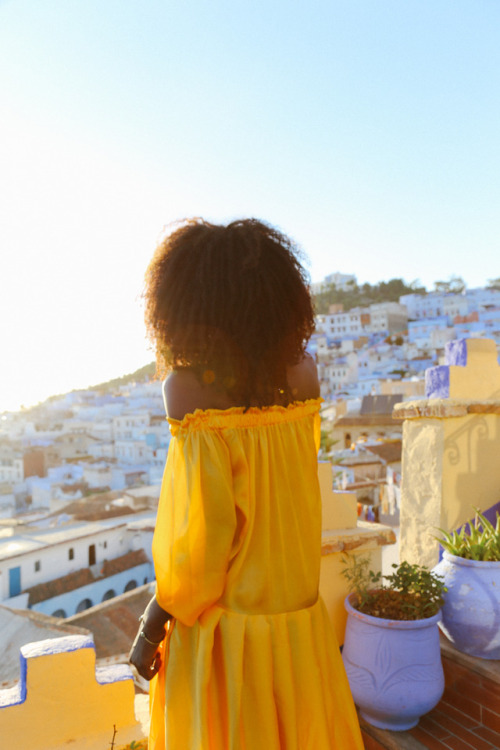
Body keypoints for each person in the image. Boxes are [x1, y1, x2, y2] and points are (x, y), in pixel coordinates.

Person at [129, 219, 363, 749]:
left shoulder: (188, 391)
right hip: (302, 641)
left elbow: (195, 565)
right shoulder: (303, 376)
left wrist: (151, 625)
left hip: (226, 650)